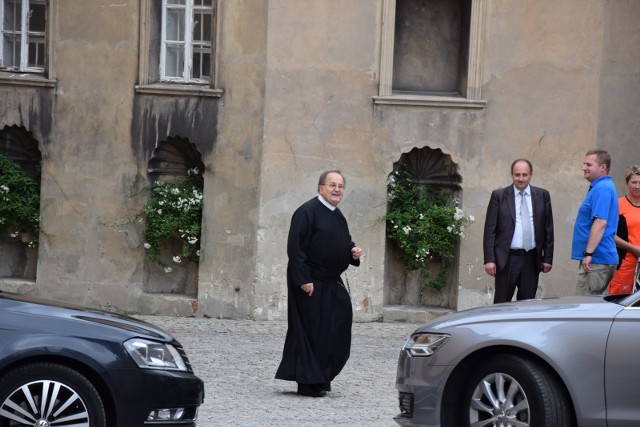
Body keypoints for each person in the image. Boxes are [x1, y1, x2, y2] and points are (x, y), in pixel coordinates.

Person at [275, 170, 363, 398]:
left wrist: (352, 252)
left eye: (341, 186)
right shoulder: (307, 211)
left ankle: (322, 376)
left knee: (335, 329)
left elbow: (341, 241)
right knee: (312, 332)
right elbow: (295, 248)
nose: (337, 190)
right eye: (332, 185)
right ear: (320, 188)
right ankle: (308, 383)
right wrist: (303, 279)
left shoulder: (337, 214)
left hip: (331, 282)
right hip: (310, 282)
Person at [483, 159, 554, 303]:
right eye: (517, 175)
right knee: (501, 303)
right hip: (507, 259)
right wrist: (489, 259)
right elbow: (490, 230)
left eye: (524, 175)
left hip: (532, 259)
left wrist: (547, 258)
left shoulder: (542, 195)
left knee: (527, 304)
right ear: (511, 175)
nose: (521, 179)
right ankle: (499, 326)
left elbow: (548, 228)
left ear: (531, 175)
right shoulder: (499, 196)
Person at [571, 149, 619, 295]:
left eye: (588, 164)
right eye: (584, 164)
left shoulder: (602, 188)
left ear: (602, 167)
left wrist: (589, 253)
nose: (583, 168)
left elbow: (600, 222)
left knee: (583, 309)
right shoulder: (600, 187)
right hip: (597, 259)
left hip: (597, 260)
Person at [608, 165, 640, 294]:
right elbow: (609, 234)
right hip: (624, 263)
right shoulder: (618, 204)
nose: (637, 186)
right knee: (620, 301)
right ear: (627, 183)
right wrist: (633, 248)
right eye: (634, 182)